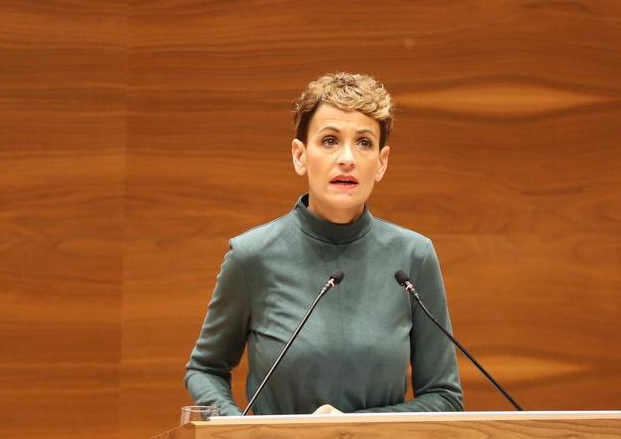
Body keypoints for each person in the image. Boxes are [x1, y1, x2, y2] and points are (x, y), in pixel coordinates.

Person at [185, 73, 463, 416]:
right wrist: (240, 431)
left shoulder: (413, 258)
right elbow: (206, 370)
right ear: (300, 155)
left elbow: (444, 396)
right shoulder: (251, 257)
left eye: (364, 143)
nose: (347, 158)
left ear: (382, 162)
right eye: (330, 140)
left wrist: (350, 428)